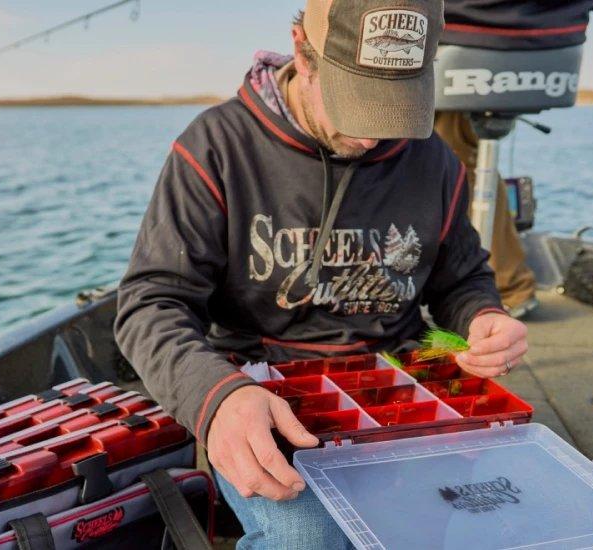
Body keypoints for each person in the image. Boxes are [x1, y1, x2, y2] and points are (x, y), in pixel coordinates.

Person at [115, 0, 529, 547]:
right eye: (356, 104)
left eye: (393, 107)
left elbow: (461, 279)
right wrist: (216, 397)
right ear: (301, 54)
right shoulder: (214, 147)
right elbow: (151, 304)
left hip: (400, 382)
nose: (370, 136)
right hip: (265, 392)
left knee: (489, 522)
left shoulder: (436, 160)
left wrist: (483, 316)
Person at [433, 112, 539, 317]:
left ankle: (505, 289)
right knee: (463, 160)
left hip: (455, 94)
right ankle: (507, 288)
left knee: (456, 159)